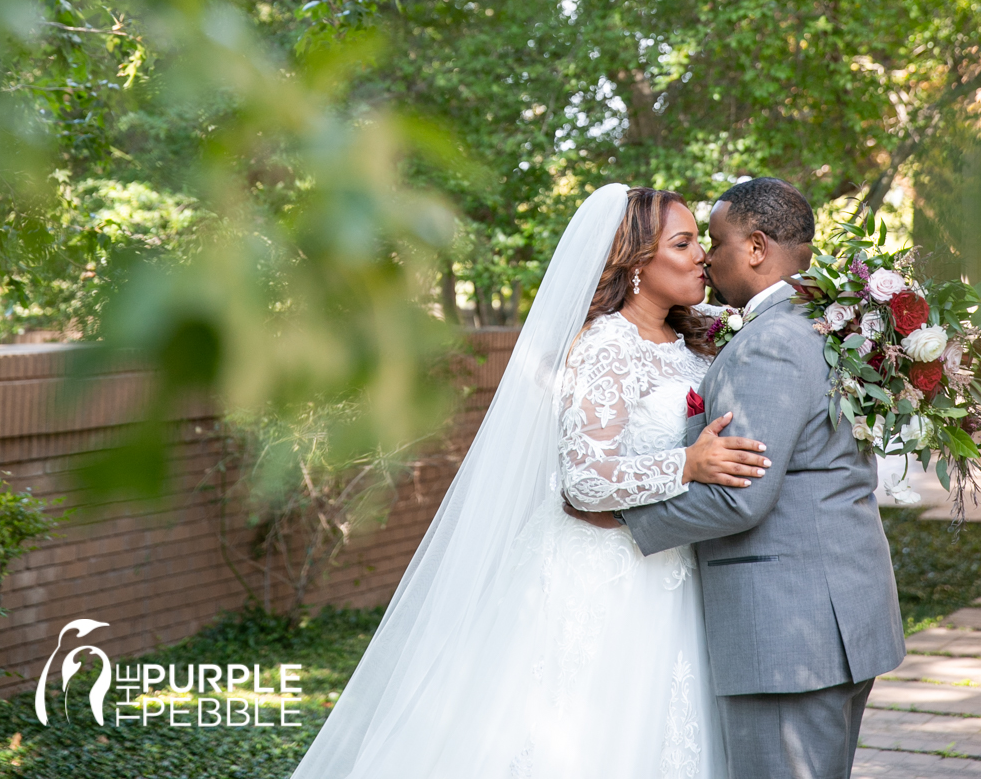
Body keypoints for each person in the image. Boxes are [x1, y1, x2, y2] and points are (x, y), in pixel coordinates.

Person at [287, 183, 768, 779]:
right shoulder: (604, 347)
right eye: (684, 242)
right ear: (636, 261)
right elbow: (585, 482)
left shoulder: (696, 341)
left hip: (674, 568)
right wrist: (685, 465)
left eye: (700, 241)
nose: (701, 255)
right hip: (602, 575)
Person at [570, 177, 906, 779]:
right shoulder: (827, 324)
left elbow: (737, 502)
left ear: (754, 248)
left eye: (712, 239)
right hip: (835, 610)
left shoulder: (767, 343)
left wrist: (620, 516)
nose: (704, 254)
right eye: (687, 242)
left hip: (787, 629)